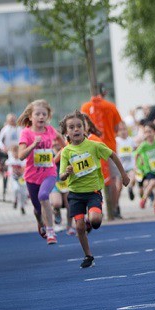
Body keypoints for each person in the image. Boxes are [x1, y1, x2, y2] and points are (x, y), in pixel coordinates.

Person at [59, 110, 129, 268]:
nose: (76, 129)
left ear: (85, 128)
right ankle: (88, 255)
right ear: (66, 132)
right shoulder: (66, 152)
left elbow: (112, 155)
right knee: (79, 226)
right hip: (75, 194)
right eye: (71, 127)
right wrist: (66, 173)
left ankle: (92, 220)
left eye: (79, 126)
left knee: (95, 221)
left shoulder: (94, 146)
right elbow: (61, 176)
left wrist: (123, 175)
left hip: (93, 192)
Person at [18, 99, 64, 244]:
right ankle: (40, 221)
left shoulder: (50, 130)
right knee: (38, 209)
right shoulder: (26, 133)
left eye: (44, 114)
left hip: (49, 173)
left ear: (48, 116)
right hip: (32, 176)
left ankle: (51, 232)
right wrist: (33, 145)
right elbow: (20, 156)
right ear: (30, 117)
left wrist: (56, 158)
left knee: (44, 196)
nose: (41, 117)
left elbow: (65, 145)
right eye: (37, 114)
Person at [81, 85, 124, 219]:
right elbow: (117, 126)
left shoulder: (85, 107)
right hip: (109, 146)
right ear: (104, 92)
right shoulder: (111, 106)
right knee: (114, 179)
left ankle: (97, 209)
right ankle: (114, 207)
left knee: (94, 179)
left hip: (90, 148)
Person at [135, 123, 155, 214]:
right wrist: (137, 165)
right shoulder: (144, 145)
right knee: (153, 182)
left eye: (149, 131)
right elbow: (137, 154)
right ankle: (144, 199)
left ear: (154, 132)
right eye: (146, 132)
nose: (148, 134)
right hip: (149, 169)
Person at [0, 113, 21, 200]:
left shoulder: (19, 129)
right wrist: (3, 148)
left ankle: (22, 191)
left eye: (13, 119)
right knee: (7, 171)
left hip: (19, 152)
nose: (12, 121)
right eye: (10, 120)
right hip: (9, 153)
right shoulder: (5, 129)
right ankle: (5, 190)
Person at [6, 145, 27, 214]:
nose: (15, 154)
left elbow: (24, 168)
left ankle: (22, 206)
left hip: (22, 178)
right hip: (14, 178)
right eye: (13, 153)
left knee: (23, 193)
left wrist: (20, 171)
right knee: (16, 189)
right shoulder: (10, 160)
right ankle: (15, 200)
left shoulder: (22, 160)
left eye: (16, 152)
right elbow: (6, 167)